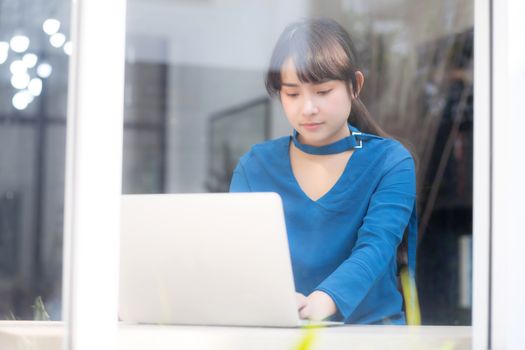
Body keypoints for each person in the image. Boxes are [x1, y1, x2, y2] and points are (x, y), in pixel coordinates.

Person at [229, 18, 418, 325]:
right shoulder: (255, 166)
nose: (307, 108)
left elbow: (376, 249)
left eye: (323, 91)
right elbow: (238, 256)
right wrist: (272, 303)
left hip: (374, 337)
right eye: (292, 94)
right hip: (279, 334)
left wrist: (319, 303)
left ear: (355, 86)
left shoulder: (391, 161)